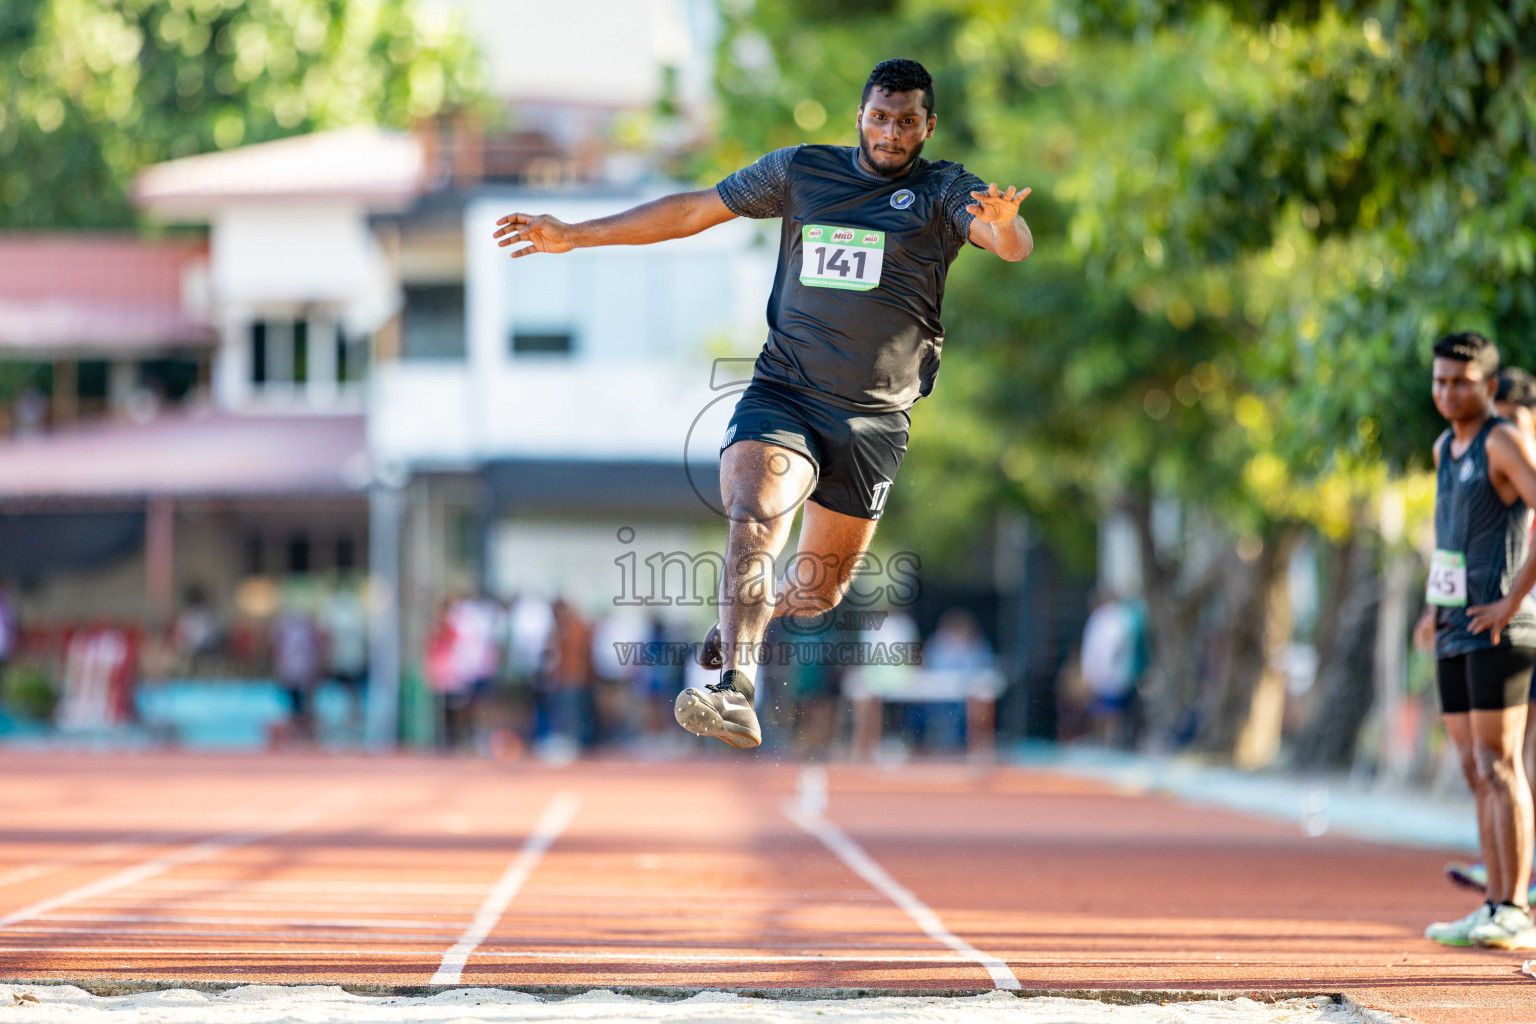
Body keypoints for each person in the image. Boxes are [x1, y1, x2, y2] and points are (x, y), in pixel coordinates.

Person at [493, 58, 1032, 749]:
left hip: (874, 420)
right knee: (754, 516)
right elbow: (692, 210)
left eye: (905, 122)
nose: (890, 132)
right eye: (878, 117)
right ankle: (735, 689)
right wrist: (574, 234)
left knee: (816, 594)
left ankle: (748, 618)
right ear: (860, 116)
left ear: (927, 126)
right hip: (785, 391)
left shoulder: (943, 188)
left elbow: (1006, 243)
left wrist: (1009, 228)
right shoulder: (801, 171)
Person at [1415, 333, 1536, 950]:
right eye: (1439, 381)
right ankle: (1492, 905)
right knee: (1472, 766)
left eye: (1460, 382)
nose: (1447, 391)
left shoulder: (1503, 440)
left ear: (1489, 386)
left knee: (1500, 762)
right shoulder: (1444, 447)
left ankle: (1515, 906)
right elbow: (1449, 536)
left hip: (1501, 628)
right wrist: (1431, 608)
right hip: (1454, 628)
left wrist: (1513, 600)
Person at [1445, 367, 1536, 898]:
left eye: (1512, 421)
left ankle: (1513, 890)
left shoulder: (1518, 462)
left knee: (1510, 761)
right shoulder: (1485, 465)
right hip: (1492, 627)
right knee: (1500, 759)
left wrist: (1513, 600)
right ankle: (1505, 872)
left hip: (1518, 625)